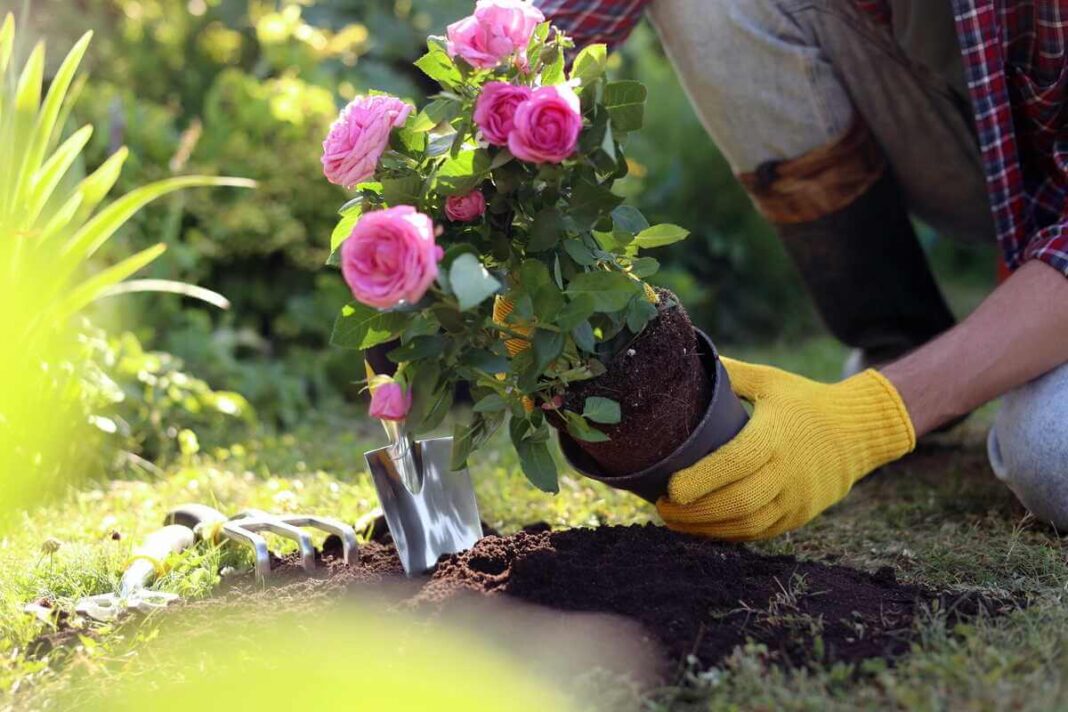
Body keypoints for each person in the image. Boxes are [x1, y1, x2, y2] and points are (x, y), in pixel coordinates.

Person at [534, 0, 1068, 539]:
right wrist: (478, 180)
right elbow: (565, 24)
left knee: (1055, 455)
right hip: (989, 136)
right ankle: (899, 340)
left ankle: (938, 380)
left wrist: (870, 416)